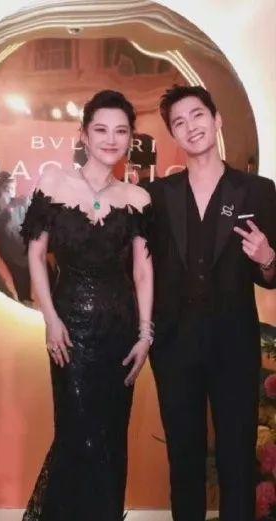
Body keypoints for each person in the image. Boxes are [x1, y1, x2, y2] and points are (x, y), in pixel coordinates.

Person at [20, 90, 153, 521]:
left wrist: (145, 334)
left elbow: (143, 272)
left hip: (120, 332)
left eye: (121, 131)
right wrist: (50, 319)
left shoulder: (137, 199)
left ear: (130, 138)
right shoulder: (54, 183)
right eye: (101, 129)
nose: (111, 139)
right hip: (70, 330)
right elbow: (35, 255)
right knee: (75, 435)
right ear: (83, 134)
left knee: (111, 438)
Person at [147, 85, 276, 521]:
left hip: (234, 342)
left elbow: (272, 276)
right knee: (183, 458)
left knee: (237, 456)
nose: (191, 126)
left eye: (198, 115)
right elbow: (141, 268)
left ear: (216, 120)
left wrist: (268, 257)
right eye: (179, 122)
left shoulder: (257, 190)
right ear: (174, 135)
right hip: (174, 344)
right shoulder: (158, 196)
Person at [0, 172, 31, 302]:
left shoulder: (15, 202)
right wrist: (11, 209)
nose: (14, 191)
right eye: (11, 188)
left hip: (21, 246)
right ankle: (23, 299)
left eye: (14, 187)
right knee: (18, 275)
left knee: (26, 273)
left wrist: (27, 206)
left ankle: (26, 297)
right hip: (9, 249)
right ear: (2, 189)